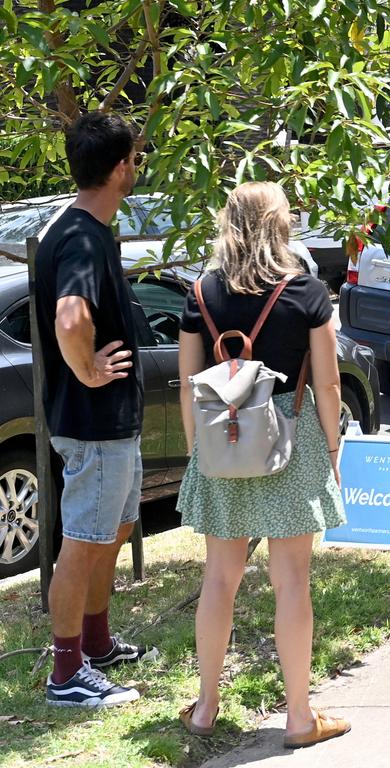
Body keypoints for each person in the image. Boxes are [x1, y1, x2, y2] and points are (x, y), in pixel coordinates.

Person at [176, 181, 349, 748]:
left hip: (221, 443)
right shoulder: (305, 293)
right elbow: (327, 383)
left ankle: (205, 709)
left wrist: (199, 455)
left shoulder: (200, 292)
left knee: (219, 578)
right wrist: (333, 448)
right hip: (290, 438)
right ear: (280, 224)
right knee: (291, 581)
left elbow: (187, 385)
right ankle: (299, 717)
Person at [35, 111, 158, 708]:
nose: (137, 166)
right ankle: (65, 674)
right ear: (118, 168)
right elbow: (70, 316)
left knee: (113, 530)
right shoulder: (83, 235)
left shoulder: (83, 227)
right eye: (134, 158)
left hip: (110, 425)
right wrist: (86, 370)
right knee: (84, 540)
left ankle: (97, 643)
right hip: (94, 427)